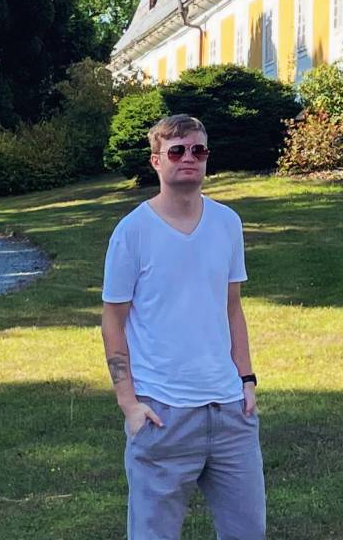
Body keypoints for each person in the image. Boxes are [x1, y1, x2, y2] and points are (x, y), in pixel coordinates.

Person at [101, 114, 266, 539]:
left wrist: (246, 380)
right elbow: (113, 320)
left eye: (198, 150)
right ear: (156, 161)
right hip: (162, 416)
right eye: (176, 151)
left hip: (230, 412)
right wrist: (129, 404)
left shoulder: (227, 223)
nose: (189, 158)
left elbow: (232, 308)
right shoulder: (132, 232)